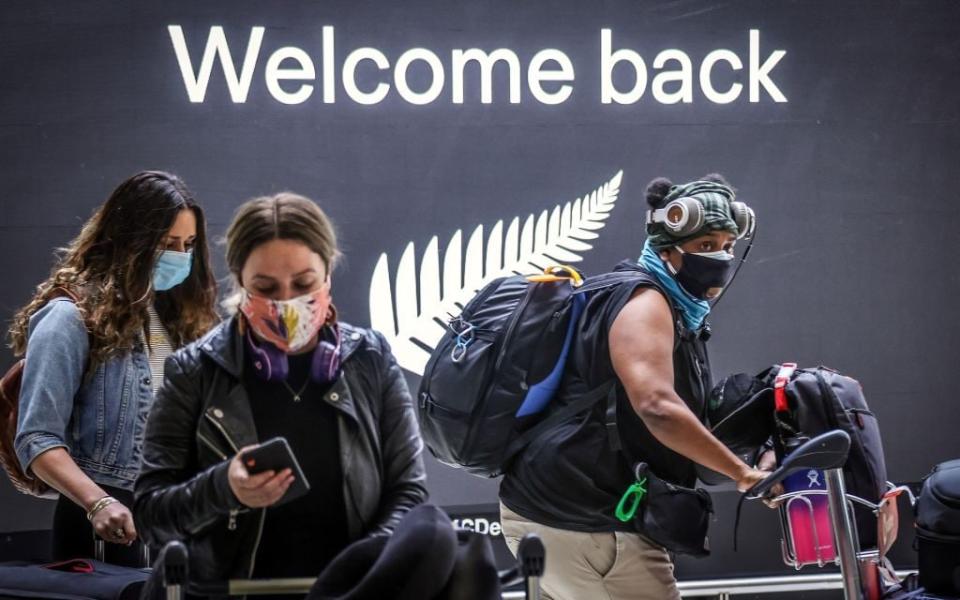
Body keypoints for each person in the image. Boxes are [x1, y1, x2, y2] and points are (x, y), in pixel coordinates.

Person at [498, 174, 773, 599]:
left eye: (727, 245)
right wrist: (743, 475)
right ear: (667, 250)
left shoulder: (658, 302)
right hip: (586, 524)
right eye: (704, 246)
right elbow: (657, 406)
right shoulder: (645, 303)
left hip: (556, 513)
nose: (721, 256)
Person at [134, 192, 427, 587]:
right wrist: (224, 488)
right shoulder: (194, 371)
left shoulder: (370, 359)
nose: (287, 301)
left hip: (350, 593)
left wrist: (359, 571)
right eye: (267, 288)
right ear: (240, 282)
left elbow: (409, 494)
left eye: (303, 283)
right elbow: (152, 517)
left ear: (328, 274)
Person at [9, 171, 218, 565]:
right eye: (167, 243)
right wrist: (98, 502)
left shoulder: (174, 318)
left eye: (188, 245)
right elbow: (36, 440)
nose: (180, 255)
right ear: (130, 241)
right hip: (106, 523)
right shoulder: (68, 318)